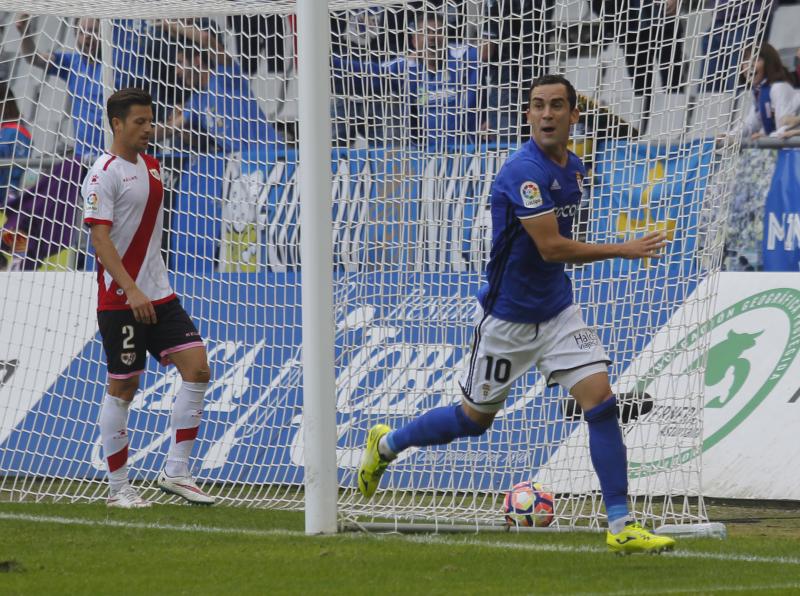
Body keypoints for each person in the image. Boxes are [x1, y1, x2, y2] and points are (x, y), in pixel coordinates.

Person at [358, 74, 675, 555]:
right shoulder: (521, 172)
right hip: (508, 321)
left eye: (556, 106)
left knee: (601, 403)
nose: (546, 114)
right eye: (537, 106)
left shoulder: (575, 168)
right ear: (527, 115)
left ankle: (621, 524)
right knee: (472, 419)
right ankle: (385, 445)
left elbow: (558, 250)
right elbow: (550, 248)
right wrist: (625, 249)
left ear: (573, 115)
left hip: (558, 311)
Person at [82, 87, 214, 508]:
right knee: (124, 386)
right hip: (122, 298)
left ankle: (176, 471)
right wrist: (131, 288)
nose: (148, 129)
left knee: (197, 368)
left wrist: (150, 287)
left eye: (151, 121)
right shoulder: (103, 173)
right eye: (139, 122)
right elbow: (100, 241)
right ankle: (119, 488)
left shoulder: (154, 167)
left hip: (159, 294)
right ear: (116, 124)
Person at [331, 11, 480, 150]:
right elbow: (370, 73)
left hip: (465, 153)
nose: (433, 37)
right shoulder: (406, 68)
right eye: (426, 32)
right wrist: (330, 62)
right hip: (424, 155)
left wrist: (486, 119)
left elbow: (489, 63)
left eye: (439, 32)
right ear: (415, 41)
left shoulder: (464, 58)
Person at [15, 14, 145, 162]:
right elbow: (34, 58)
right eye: (82, 32)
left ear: (105, 33)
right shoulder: (71, 63)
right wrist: (24, 32)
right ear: (75, 36)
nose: (88, 36)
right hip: (83, 156)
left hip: (116, 154)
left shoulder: (118, 62)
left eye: (94, 31)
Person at [155, 19, 280, 154]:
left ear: (197, 61)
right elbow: (168, 129)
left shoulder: (226, 75)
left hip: (268, 155)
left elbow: (206, 39)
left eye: (180, 62)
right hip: (239, 166)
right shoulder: (196, 102)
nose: (177, 71)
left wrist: (171, 24)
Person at [740, 43, 800, 139]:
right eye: (745, 61)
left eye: (756, 60)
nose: (749, 65)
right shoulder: (760, 90)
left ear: (769, 63)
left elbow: (785, 126)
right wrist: (730, 136)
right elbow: (751, 124)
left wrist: (767, 138)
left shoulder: (779, 88)